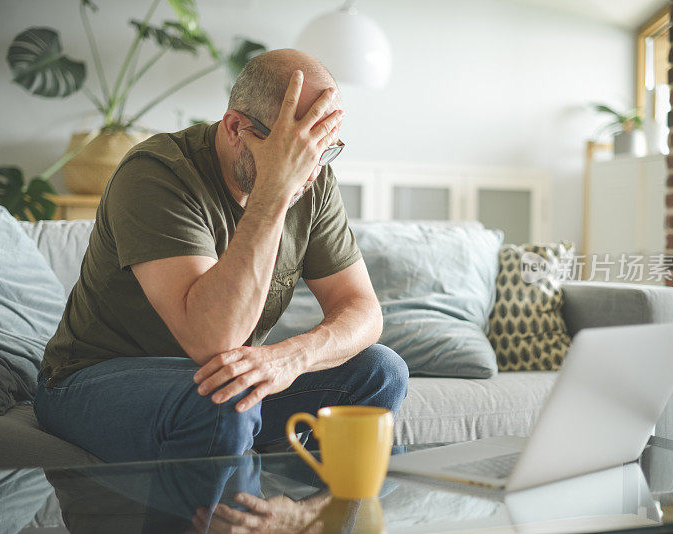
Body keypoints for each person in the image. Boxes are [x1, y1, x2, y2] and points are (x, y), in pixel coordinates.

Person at [33, 48, 409, 463]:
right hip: (92, 380)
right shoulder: (156, 173)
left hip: (220, 382)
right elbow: (212, 340)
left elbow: (362, 310)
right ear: (236, 128)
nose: (312, 171)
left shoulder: (314, 177)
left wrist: (291, 357)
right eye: (296, 149)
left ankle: (310, 516)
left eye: (325, 149)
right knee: (226, 403)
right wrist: (274, 191)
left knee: (381, 370)